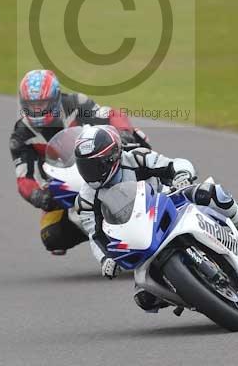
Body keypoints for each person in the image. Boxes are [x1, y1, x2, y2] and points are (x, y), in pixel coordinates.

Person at [73, 124, 238, 312]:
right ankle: (192, 293)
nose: (90, 173)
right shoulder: (86, 199)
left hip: (169, 202)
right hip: (138, 235)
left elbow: (174, 164)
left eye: (95, 165)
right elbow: (96, 235)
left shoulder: (136, 157)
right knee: (145, 298)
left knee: (212, 193)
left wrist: (181, 174)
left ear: (113, 157)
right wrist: (106, 258)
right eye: (84, 167)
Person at [9, 68, 150, 255]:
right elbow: (23, 179)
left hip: (99, 165)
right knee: (51, 237)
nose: (36, 110)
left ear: (55, 97)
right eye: (31, 104)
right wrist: (38, 196)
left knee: (136, 138)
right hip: (64, 188)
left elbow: (112, 114)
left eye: (41, 103)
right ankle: (95, 228)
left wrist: (123, 131)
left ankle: (154, 179)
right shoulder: (21, 135)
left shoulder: (76, 104)